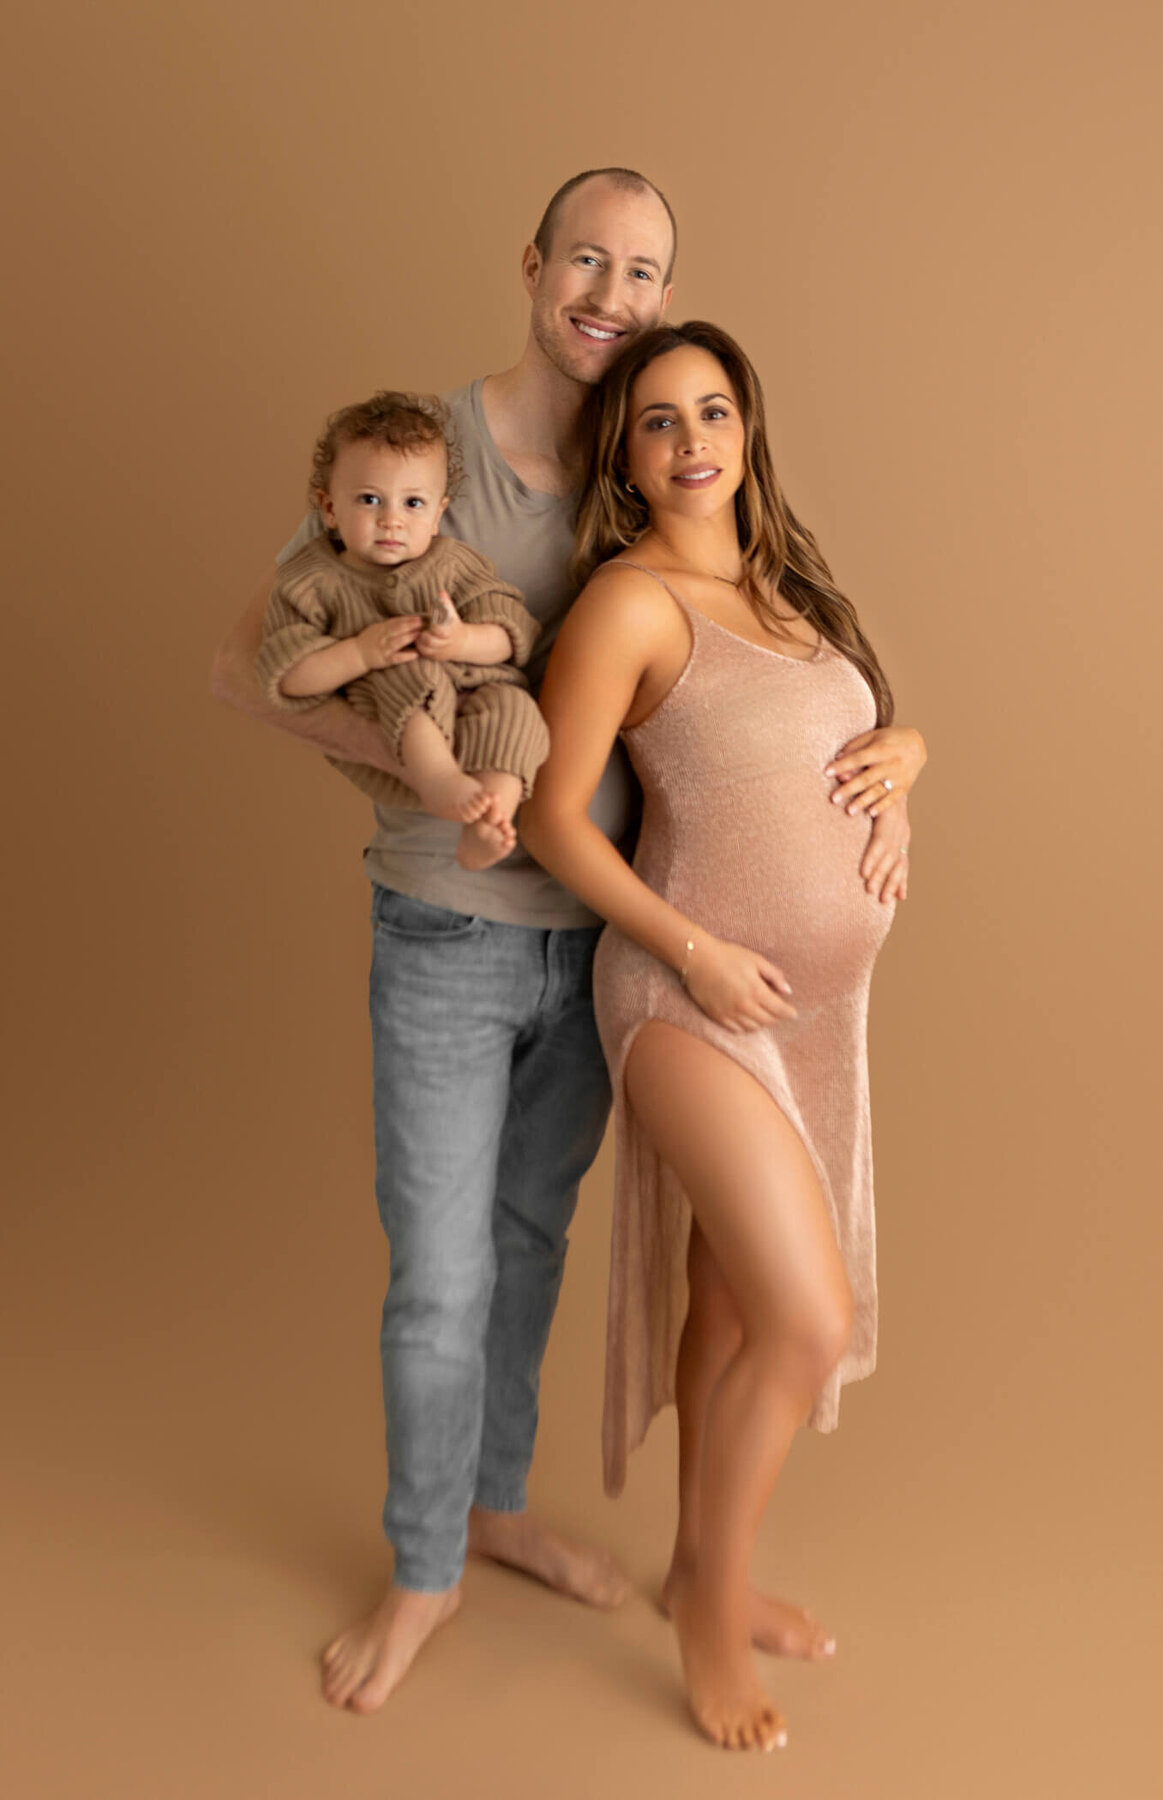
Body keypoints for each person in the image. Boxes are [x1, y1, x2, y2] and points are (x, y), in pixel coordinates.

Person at [210, 168, 678, 1713]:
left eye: (643, 270)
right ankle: (422, 1576)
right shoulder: (419, 451)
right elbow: (250, 667)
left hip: (595, 940)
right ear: (534, 264)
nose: (611, 292)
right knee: (442, 1279)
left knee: (532, 1247)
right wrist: (418, 775)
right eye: (587, 258)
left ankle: (497, 1510)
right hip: (446, 936)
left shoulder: (644, 461)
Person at [520, 319, 921, 1752]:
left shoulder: (787, 586)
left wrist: (910, 762)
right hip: (685, 993)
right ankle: (703, 1610)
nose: (693, 443)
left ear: (750, 428)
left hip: (818, 1012)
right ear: (626, 457)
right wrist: (695, 950)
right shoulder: (627, 604)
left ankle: (709, 1563)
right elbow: (559, 821)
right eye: (657, 423)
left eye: (713, 413)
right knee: (804, 1321)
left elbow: (854, 734)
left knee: (738, 1311)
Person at [257, 390, 549, 870]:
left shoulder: (454, 564)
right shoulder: (310, 579)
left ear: (438, 513)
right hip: (393, 719)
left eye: (413, 503)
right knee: (410, 671)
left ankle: (489, 821)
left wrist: (464, 641)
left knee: (516, 710)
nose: (391, 519)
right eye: (370, 499)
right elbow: (286, 675)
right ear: (329, 509)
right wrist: (359, 654)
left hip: (474, 699)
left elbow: (514, 631)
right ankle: (440, 782)